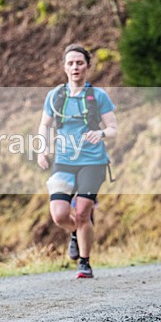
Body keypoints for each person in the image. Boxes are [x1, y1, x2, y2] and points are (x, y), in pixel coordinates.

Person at [37, 44, 118, 279]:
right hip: (64, 161)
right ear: (64, 67)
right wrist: (42, 150)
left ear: (87, 67)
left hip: (93, 162)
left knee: (83, 212)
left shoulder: (97, 96)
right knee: (60, 215)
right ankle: (76, 233)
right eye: (71, 63)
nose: (75, 67)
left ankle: (84, 261)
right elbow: (44, 125)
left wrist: (101, 133)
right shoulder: (55, 96)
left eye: (80, 63)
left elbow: (113, 128)